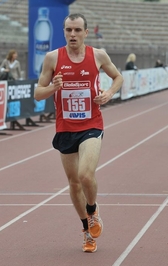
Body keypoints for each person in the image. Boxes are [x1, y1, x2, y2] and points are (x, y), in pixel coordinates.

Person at [34, 13, 123, 253]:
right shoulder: (52, 58)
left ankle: (93, 212)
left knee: (85, 174)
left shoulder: (98, 55)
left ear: (86, 32)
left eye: (77, 30)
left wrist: (109, 94)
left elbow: (118, 77)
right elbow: (38, 93)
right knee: (73, 184)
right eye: (68, 30)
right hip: (65, 128)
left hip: (91, 125)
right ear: (64, 32)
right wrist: (54, 87)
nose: (72, 35)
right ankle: (86, 230)